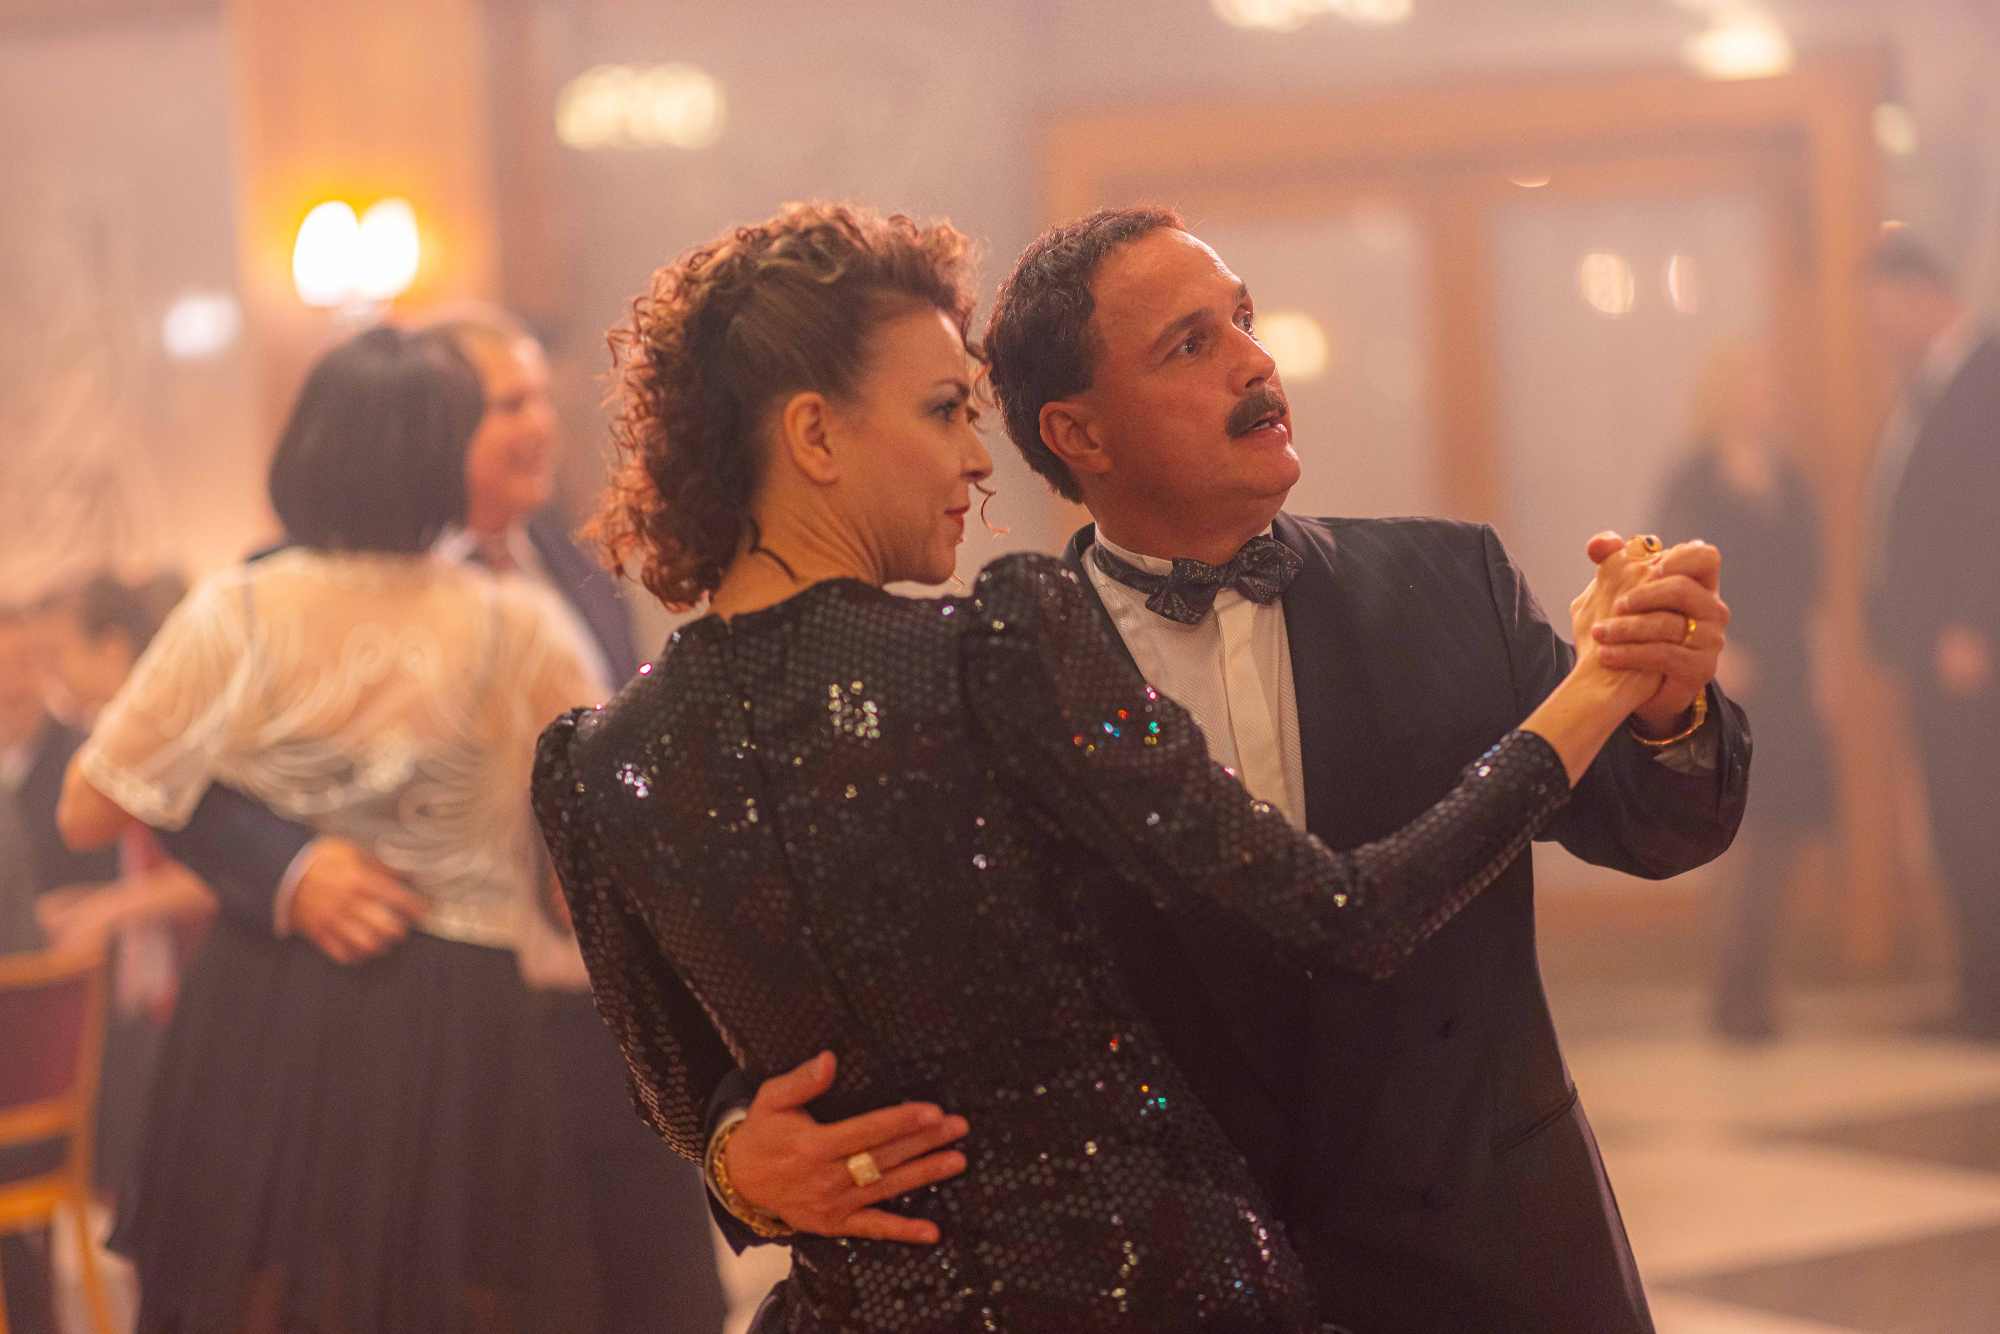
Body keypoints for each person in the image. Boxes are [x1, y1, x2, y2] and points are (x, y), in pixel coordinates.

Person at [531, 200, 1697, 1333]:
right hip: (1145, 1290)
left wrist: (732, 1159)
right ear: (813, 435)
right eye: (942, 410)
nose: (974, 458)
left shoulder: (590, 763)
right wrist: (1592, 685)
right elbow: (1348, 914)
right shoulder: (996, 647)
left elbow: (685, 1100)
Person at [56, 326, 603, 1334]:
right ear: (447, 456)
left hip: (263, 1005)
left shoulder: (239, 610)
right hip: (458, 1017)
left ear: (303, 447)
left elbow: (89, 806)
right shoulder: (517, 624)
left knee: (252, 1296)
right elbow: (600, 851)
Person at [1657, 342, 1831, 1040]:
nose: (1765, 395)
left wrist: (1824, 667)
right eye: (1752, 383)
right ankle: (1731, 994)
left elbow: (1813, 587)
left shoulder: (1789, 478)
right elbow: (1670, 576)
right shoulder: (1694, 479)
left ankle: (1764, 986)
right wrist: (1715, 652)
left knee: (1785, 827)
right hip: (1725, 671)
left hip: (1789, 674)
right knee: (1738, 830)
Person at [1862, 234, 2000, 1039]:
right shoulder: (1926, 387)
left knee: (1979, 814)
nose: (1879, 328)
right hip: (1930, 647)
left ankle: (1991, 998)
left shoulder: (1985, 375)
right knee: (1953, 817)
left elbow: (1989, 509)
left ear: (1924, 293)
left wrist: (1974, 622)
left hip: (1969, 650)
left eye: (1884, 309)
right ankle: (1978, 988)